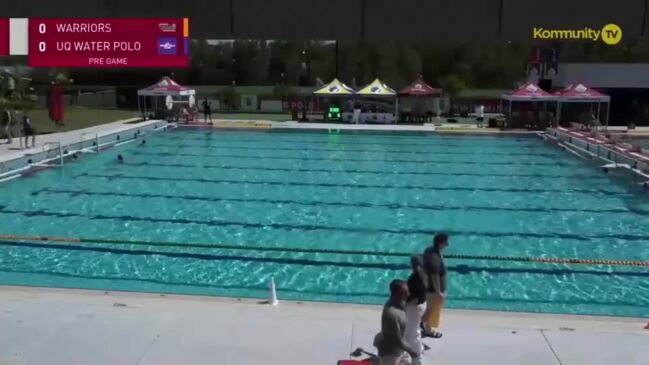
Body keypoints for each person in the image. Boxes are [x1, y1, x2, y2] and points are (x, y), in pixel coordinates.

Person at [375, 279, 420, 365]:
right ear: (398, 293)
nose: (408, 294)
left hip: (399, 349)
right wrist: (412, 352)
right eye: (405, 292)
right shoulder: (391, 313)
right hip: (390, 353)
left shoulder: (399, 303)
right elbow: (396, 340)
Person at [420, 233, 449, 339]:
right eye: (446, 243)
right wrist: (439, 293)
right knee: (429, 312)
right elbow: (434, 276)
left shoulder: (430, 250)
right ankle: (427, 330)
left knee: (428, 310)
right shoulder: (434, 258)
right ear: (441, 243)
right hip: (433, 291)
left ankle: (422, 326)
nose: (447, 245)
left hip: (429, 288)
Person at [404, 256, 426, 365]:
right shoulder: (424, 276)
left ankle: (417, 359)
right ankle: (418, 351)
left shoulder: (416, 279)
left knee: (412, 334)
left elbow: (414, 298)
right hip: (419, 306)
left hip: (414, 307)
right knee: (414, 330)